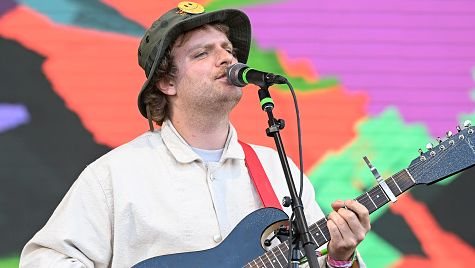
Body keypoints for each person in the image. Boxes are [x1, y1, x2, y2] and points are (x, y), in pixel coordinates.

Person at [20, 2, 370, 267]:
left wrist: (340, 258)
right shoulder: (115, 175)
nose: (226, 59)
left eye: (228, 50)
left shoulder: (278, 170)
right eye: (203, 52)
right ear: (166, 82)